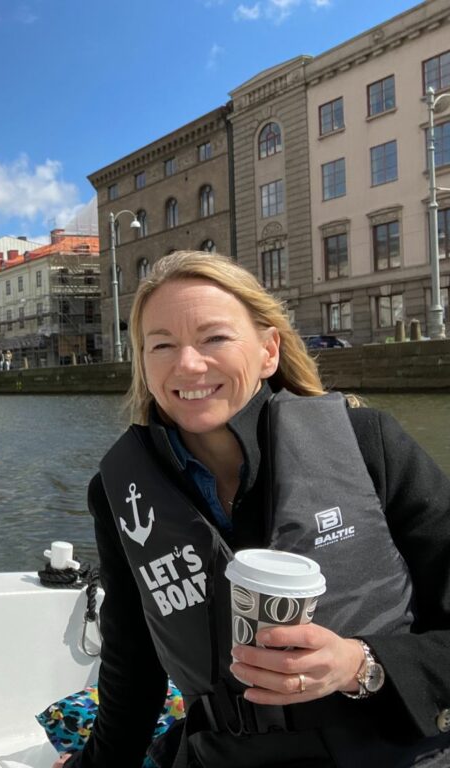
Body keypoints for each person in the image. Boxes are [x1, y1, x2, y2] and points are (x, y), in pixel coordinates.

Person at [59, 251, 450, 767]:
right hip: (223, 754)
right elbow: (132, 671)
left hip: (390, 747)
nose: (188, 364)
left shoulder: (368, 443)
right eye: (162, 346)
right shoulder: (118, 495)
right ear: (145, 367)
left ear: (269, 351)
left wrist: (361, 665)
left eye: (214, 338)